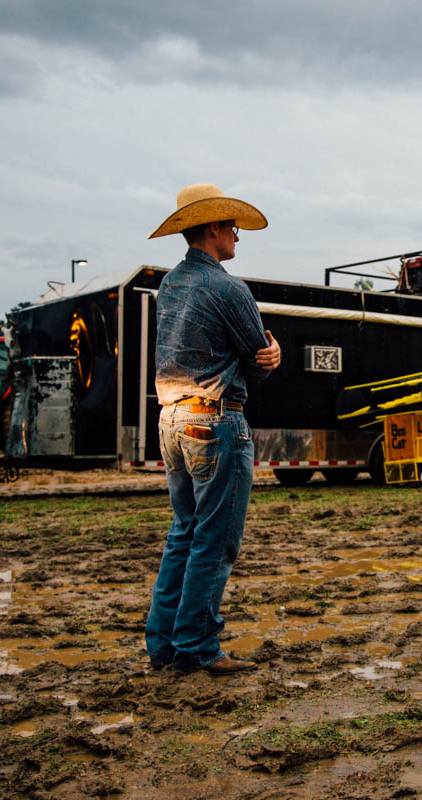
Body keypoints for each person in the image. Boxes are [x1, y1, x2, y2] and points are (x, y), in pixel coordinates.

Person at [144, 183, 281, 675]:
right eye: (234, 228)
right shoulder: (228, 288)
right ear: (215, 227)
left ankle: (163, 644)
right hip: (215, 419)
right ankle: (198, 646)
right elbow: (258, 362)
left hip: (171, 417)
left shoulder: (172, 285)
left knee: (183, 531)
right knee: (215, 539)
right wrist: (273, 356)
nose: (238, 238)